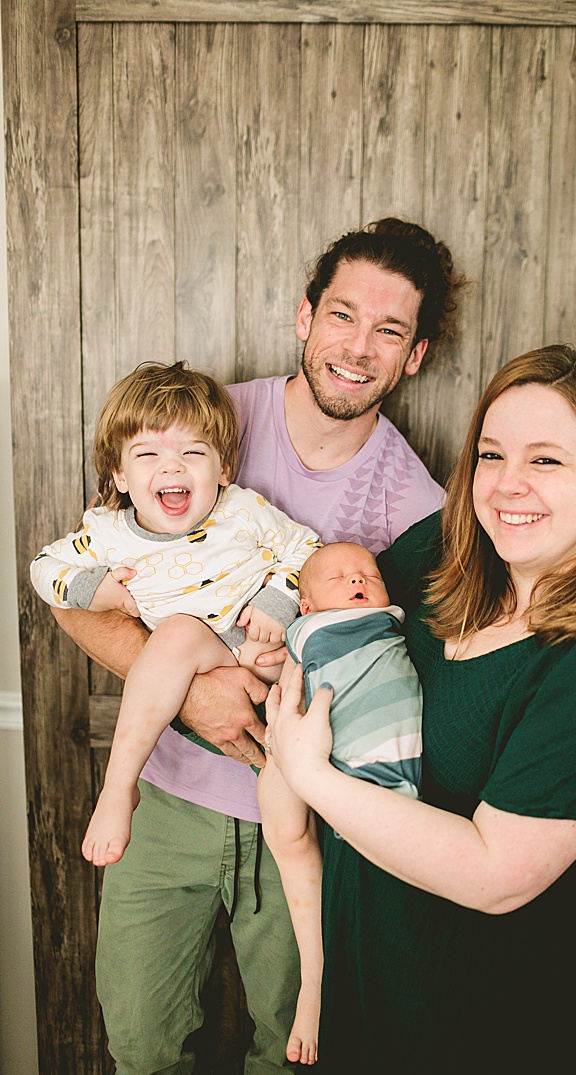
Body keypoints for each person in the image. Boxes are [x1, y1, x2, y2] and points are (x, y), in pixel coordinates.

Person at [51, 218, 460, 1074]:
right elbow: (79, 589)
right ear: (304, 316)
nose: (358, 347)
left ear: (414, 356)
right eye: (343, 315)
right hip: (163, 802)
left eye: (389, 330)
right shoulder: (200, 422)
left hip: (306, 819)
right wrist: (191, 690)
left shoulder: (413, 502)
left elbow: (420, 668)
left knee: (295, 1054)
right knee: (141, 1045)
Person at [264, 345, 576, 1073]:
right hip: (371, 966)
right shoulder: (443, 553)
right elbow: (327, 639)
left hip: (493, 1011)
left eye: (547, 461)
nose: (506, 486)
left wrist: (311, 776)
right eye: (491, 455)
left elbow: (496, 873)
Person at [33, 363, 320, 871]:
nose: (172, 468)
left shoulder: (241, 510)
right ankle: (120, 788)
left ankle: (303, 834)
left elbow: (306, 549)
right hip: (195, 652)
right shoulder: (108, 533)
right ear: (120, 475)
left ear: (223, 469)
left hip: (262, 650)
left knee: (293, 801)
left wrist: (278, 600)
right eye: (147, 455)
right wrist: (92, 589)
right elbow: (42, 568)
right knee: (178, 634)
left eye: (193, 453)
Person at [257, 541, 424, 1066]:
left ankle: (323, 983)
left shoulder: (388, 621)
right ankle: (315, 980)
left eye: (368, 574)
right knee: (285, 836)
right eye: (339, 579)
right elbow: (263, 664)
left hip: (373, 782)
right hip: (307, 746)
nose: (358, 581)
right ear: (305, 606)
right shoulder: (305, 633)